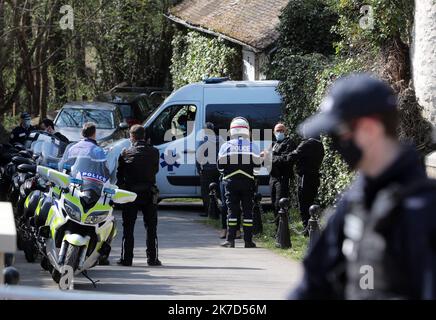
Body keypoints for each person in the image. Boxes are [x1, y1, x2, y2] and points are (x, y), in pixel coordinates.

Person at [290, 73, 436, 299]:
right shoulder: (355, 201)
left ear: (370, 128)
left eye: (337, 133)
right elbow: (314, 283)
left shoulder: (424, 211)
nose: (334, 143)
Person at [61, 122, 112, 265]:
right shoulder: (98, 151)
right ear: (94, 133)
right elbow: (106, 173)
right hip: (91, 190)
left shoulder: (72, 147)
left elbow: (62, 167)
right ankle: (102, 257)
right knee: (110, 220)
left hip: (73, 190)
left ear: (82, 133)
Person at [116, 125, 161, 266]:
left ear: (132, 137)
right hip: (148, 192)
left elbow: (120, 175)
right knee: (151, 227)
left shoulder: (125, 152)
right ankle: (152, 258)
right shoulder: (154, 152)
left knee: (128, 227)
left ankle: (126, 258)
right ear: (144, 136)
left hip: (130, 193)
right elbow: (155, 169)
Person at [218, 117, 262, 248]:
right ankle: (248, 241)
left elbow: (220, 167)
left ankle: (230, 240)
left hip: (230, 183)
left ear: (231, 130)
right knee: (247, 212)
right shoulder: (253, 146)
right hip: (248, 182)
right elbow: (258, 166)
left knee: (232, 211)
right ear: (247, 130)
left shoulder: (225, 146)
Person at [262, 123, 298, 230]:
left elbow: (286, 160)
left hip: (282, 178)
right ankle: (278, 228)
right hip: (273, 177)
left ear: (285, 131)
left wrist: (269, 157)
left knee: (280, 203)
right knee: (273, 204)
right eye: (277, 131)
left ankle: (283, 230)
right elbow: (266, 160)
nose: (280, 133)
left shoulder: (289, 143)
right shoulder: (273, 144)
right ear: (274, 132)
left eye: (282, 130)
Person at [286, 136, 324, 232]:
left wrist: (289, 155)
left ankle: (306, 229)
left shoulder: (306, 144)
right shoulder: (320, 145)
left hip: (304, 178)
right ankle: (313, 227)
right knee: (311, 203)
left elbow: (292, 157)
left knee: (304, 205)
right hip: (315, 177)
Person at [197, 122, 222, 217]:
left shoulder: (203, 141)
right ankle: (224, 210)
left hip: (207, 170)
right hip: (219, 169)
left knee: (206, 191)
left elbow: (198, 157)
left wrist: (199, 169)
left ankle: (209, 212)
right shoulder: (220, 139)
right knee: (219, 190)